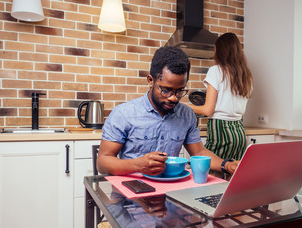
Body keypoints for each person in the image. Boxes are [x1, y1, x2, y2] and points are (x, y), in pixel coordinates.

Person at [97, 46, 239, 176]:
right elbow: (102, 163)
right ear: (151, 81)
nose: (173, 98)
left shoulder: (187, 115)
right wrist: (137, 165)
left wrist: (226, 165)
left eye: (179, 91)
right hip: (132, 191)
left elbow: (199, 152)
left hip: (170, 190)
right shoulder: (124, 114)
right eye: (165, 90)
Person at [185, 33, 253, 178]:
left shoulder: (216, 71)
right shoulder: (246, 75)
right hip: (239, 131)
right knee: (232, 175)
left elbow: (207, 109)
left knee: (204, 171)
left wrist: (183, 106)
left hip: (220, 131)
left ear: (219, 50)